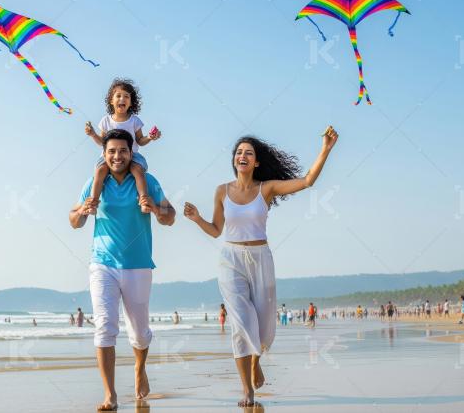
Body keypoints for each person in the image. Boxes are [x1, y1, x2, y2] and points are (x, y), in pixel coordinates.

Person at [183, 126, 338, 407]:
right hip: (230, 260)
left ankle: (256, 361)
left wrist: (325, 149)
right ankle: (247, 391)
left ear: (256, 162)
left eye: (249, 153)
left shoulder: (266, 189)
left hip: (261, 258)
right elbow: (217, 230)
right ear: (234, 160)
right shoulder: (222, 191)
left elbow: (307, 181)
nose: (243, 155)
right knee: (241, 323)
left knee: (265, 329)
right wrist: (197, 219)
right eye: (239, 152)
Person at [70, 129, 175, 411]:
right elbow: (73, 221)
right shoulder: (96, 183)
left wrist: (155, 208)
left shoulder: (147, 181)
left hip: (138, 265)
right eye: (112, 151)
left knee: (139, 333)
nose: (117, 156)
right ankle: (110, 395)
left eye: (123, 151)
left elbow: (170, 218)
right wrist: (82, 211)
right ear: (104, 155)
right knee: (104, 328)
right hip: (102, 264)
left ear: (132, 154)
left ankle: (140, 368)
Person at [84, 78, 162, 214]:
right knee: (100, 170)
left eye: (126, 96)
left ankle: (144, 199)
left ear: (131, 102)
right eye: (118, 96)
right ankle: (93, 203)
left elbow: (140, 141)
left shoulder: (134, 120)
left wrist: (149, 137)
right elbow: (102, 142)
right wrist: (92, 134)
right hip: (109, 156)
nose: (122, 99)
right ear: (111, 101)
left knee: (137, 170)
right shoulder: (106, 120)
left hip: (132, 155)